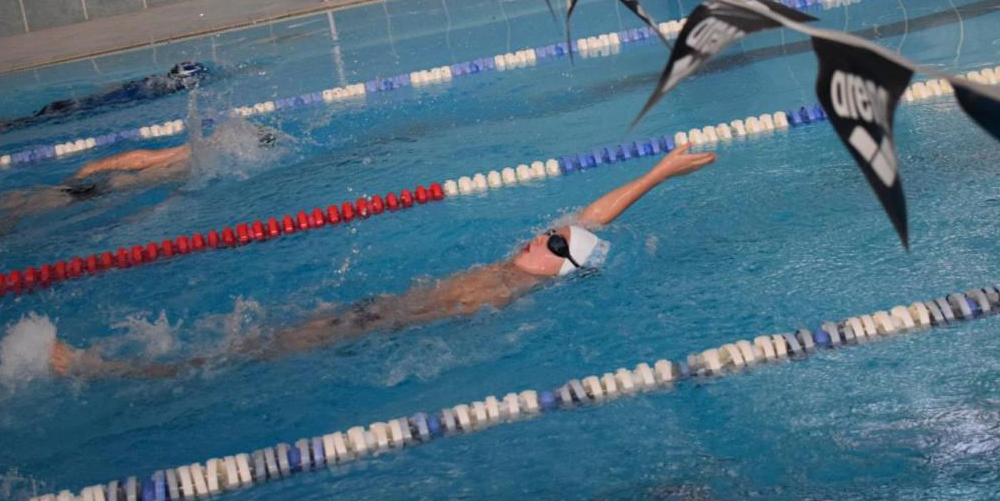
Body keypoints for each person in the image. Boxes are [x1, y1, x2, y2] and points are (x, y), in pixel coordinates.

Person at [51, 144, 718, 380]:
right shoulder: (518, 273)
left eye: (553, 247)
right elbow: (591, 217)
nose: (542, 238)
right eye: (549, 235)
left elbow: (588, 227)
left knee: (242, 353)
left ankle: (106, 369)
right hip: (371, 316)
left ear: (561, 273)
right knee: (250, 341)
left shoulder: (502, 294)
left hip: (371, 327)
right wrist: (659, 171)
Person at [0, 125, 277, 239]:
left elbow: (141, 158)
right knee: (25, 209)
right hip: (108, 188)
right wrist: (91, 171)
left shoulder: (201, 149)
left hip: (109, 183)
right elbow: (143, 161)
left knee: (24, 198)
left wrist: (92, 167)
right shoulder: (205, 155)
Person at [0, 62, 209, 139]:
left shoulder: (148, 81)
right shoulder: (158, 91)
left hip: (72, 103)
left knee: (21, 122)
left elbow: (107, 89)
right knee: (15, 125)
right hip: (74, 111)